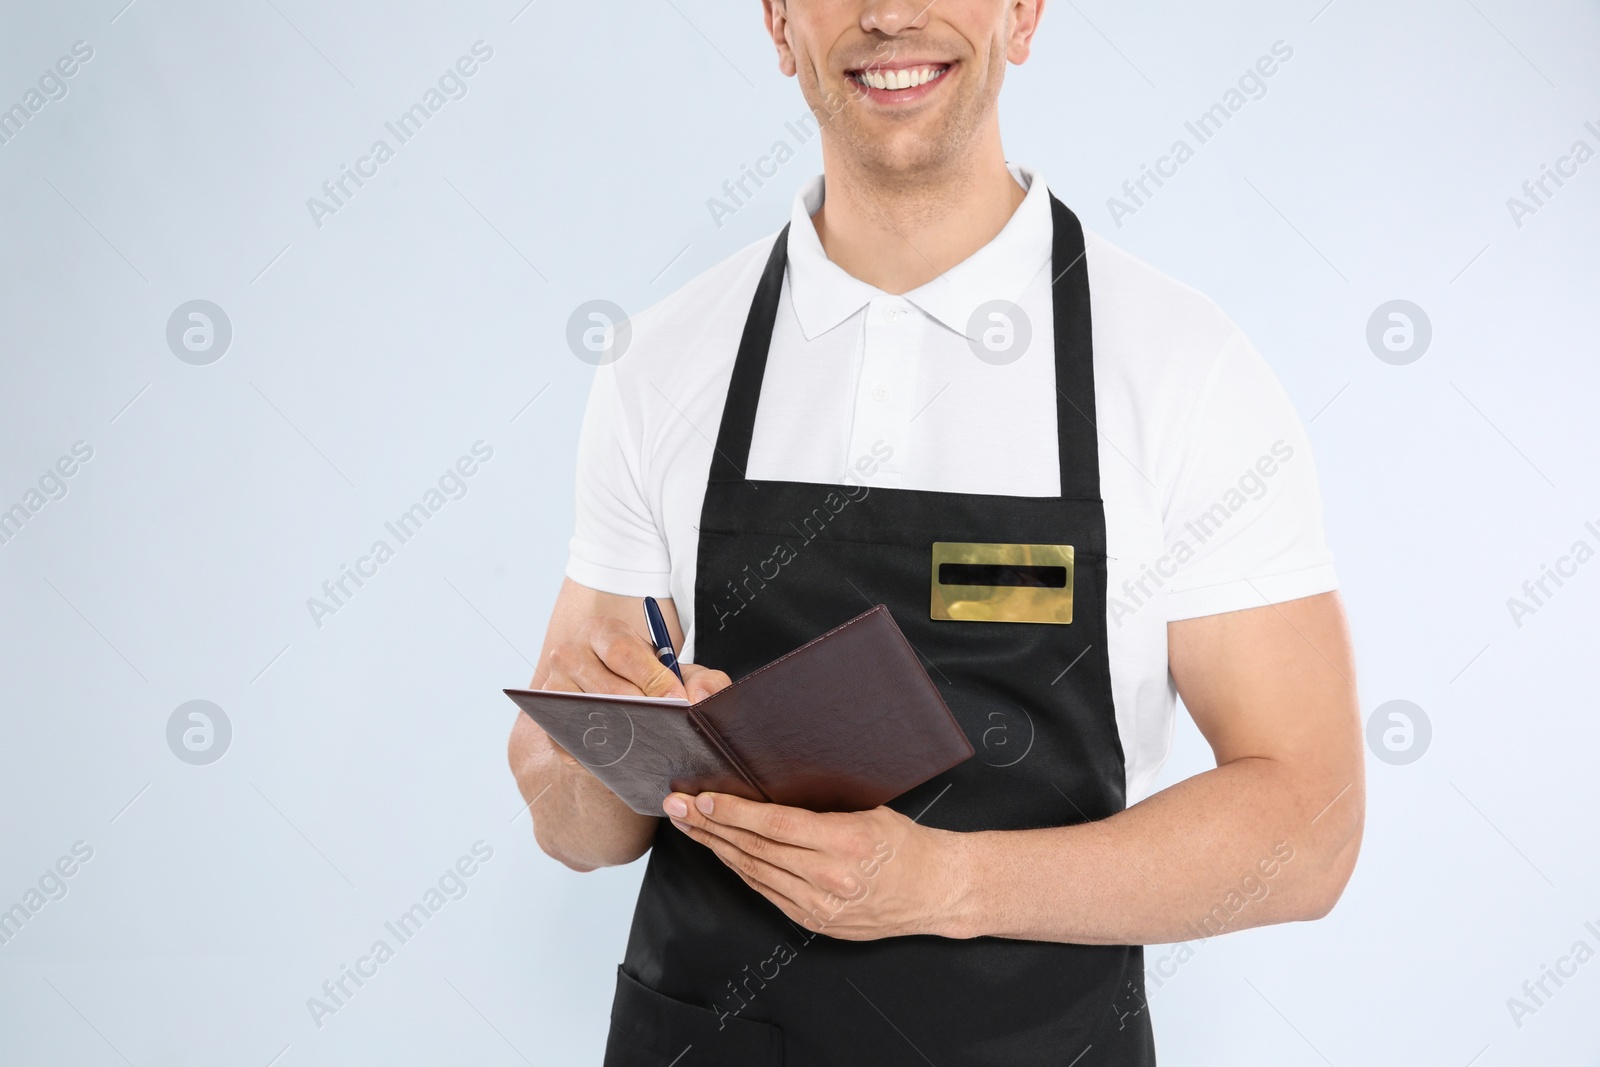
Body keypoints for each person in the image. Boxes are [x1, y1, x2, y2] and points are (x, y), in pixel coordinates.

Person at [507, 1, 1365, 1062]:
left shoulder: (1181, 370)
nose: (890, 14)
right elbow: (576, 829)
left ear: (1022, 13)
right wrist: (602, 750)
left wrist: (948, 883)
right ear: (778, 25)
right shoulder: (661, 361)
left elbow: (1308, 827)